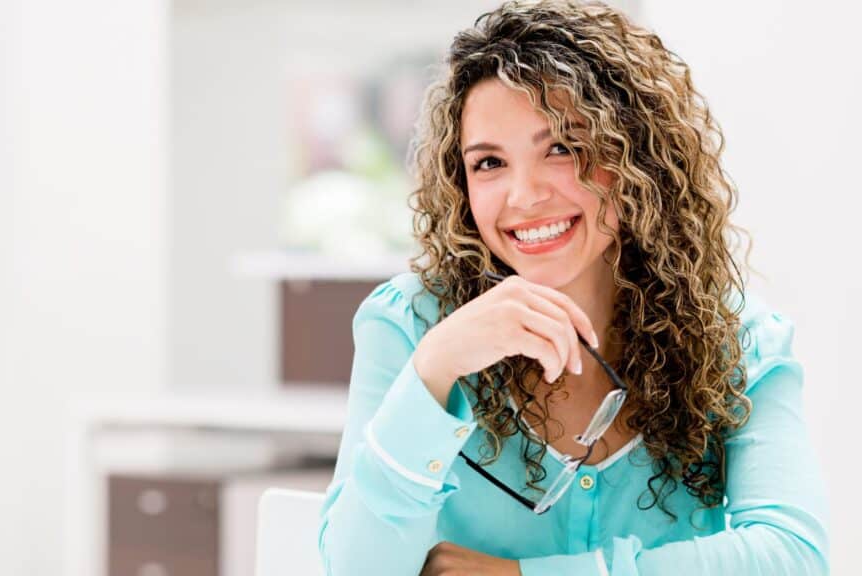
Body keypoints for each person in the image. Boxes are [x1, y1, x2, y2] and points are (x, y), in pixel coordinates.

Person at [315, 1, 830, 575]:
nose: (524, 196)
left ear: (636, 157)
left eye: (561, 147)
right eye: (489, 163)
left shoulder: (736, 338)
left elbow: (792, 557)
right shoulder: (412, 324)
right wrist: (434, 369)